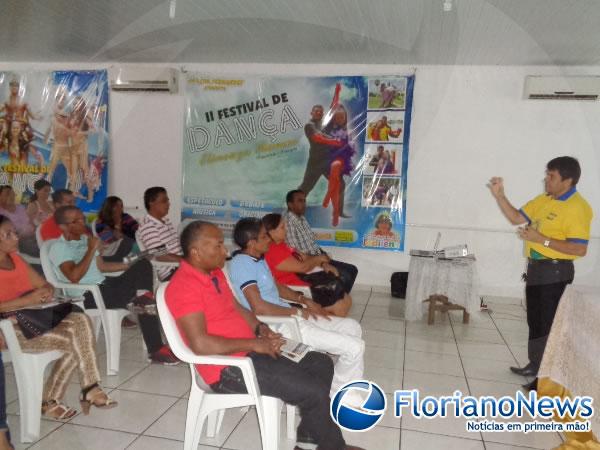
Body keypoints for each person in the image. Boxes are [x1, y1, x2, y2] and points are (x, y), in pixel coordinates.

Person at [165, 220, 365, 450]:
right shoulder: (184, 287)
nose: (225, 250)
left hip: (251, 351)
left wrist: (262, 329)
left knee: (320, 363)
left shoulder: (214, 274)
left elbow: (238, 308)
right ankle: (334, 447)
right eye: (218, 245)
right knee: (312, 392)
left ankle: (308, 440)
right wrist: (256, 344)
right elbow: (200, 344)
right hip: (228, 370)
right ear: (196, 252)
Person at [229, 218, 364, 399]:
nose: (268, 239)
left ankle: (338, 385)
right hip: (280, 326)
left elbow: (276, 286)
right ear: (252, 243)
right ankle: (342, 395)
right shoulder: (241, 265)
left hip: (290, 316)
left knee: (352, 327)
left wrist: (303, 300)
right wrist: (297, 311)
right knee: (355, 347)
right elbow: (259, 308)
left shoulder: (257, 260)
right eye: (264, 236)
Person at [488, 156, 592, 391]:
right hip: (537, 269)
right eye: (547, 174)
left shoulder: (578, 208)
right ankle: (535, 364)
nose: (546, 179)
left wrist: (541, 239)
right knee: (534, 320)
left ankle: (545, 379)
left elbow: (579, 248)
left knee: (548, 324)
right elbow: (516, 218)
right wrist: (500, 196)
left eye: (551, 176)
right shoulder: (545, 200)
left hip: (556, 271)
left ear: (568, 180)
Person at [0, 214, 115, 419]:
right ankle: (60, 397)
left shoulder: (16, 259)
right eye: (8, 234)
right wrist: (26, 302)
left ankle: (88, 387)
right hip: (7, 331)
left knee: (81, 322)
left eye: (14, 232)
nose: (16, 237)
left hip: (31, 319)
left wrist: (46, 292)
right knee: (78, 341)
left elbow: (44, 284)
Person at [48, 205, 179, 365]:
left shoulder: (85, 240)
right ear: (63, 226)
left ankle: (143, 302)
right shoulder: (59, 247)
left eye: (82, 218)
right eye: (76, 221)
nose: (83, 222)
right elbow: (74, 276)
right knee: (144, 300)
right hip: (87, 295)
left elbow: (102, 267)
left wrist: (129, 265)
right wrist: (90, 250)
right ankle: (155, 348)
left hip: (105, 285)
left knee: (143, 266)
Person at [262, 213, 353, 317]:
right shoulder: (272, 250)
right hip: (294, 288)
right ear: (271, 231)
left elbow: (305, 257)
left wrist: (323, 263)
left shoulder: (282, 244)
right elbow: (302, 267)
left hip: (306, 280)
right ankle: (330, 326)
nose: (286, 229)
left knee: (345, 297)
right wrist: (319, 259)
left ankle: (332, 326)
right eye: (282, 227)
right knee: (341, 304)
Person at [284, 190, 358, 294]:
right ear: (290, 205)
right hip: (310, 262)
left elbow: (311, 243)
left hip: (318, 257)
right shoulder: (288, 223)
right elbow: (297, 253)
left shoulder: (301, 218)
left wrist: (322, 254)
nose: (304, 204)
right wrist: (322, 262)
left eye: (304, 201)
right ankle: (337, 300)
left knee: (352, 270)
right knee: (345, 274)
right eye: (300, 201)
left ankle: (340, 298)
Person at [321, 89, 355, 227]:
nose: (340, 119)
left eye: (342, 117)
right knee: (337, 182)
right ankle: (332, 207)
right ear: (333, 118)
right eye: (337, 117)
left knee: (341, 184)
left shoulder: (345, 129)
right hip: (327, 161)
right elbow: (333, 106)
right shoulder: (329, 128)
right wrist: (337, 92)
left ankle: (337, 211)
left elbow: (347, 146)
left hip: (340, 161)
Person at [137, 187, 182, 280]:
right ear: (151, 203)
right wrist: (188, 260)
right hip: (171, 271)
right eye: (164, 201)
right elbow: (161, 255)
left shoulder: (166, 220)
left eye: (168, 200)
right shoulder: (148, 225)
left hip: (181, 266)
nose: (168, 204)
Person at [95, 196, 139, 262]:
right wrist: (118, 223)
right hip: (113, 252)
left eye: (121, 206)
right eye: (117, 206)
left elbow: (137, 229)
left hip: (132, 247)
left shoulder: (126, 217)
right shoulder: (101, 222)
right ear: (109, 207)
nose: (120, 208)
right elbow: (109, 240)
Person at [0, 185, 38, 257]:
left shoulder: (20, 207)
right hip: (18, 241)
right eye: (8, 194)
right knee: (38, 249)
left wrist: (36, 230)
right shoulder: (1, 213)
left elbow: (29, 222)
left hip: (33, 236)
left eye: (12, 193)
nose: (11, 196)